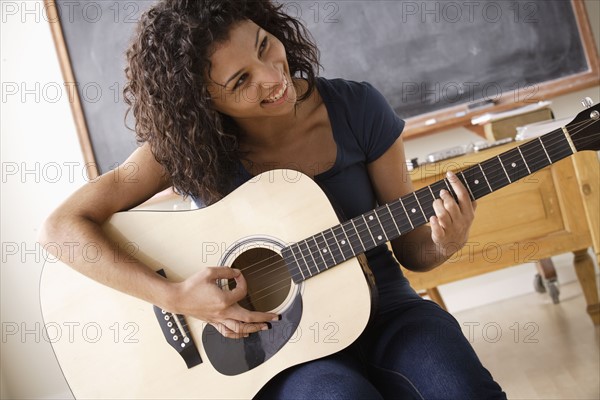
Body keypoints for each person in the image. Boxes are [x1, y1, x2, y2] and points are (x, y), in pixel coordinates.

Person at [40, 0, 507, 398]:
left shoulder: (357, 109)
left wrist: (443, 243)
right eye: (241, 81)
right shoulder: (182, 148)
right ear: (201, 101)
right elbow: (61, 228)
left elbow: (411, 250)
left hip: (387, 311)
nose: (272, 76)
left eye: (265, 46)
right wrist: (177, 296)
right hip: (276, 348)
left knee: (461, 387)